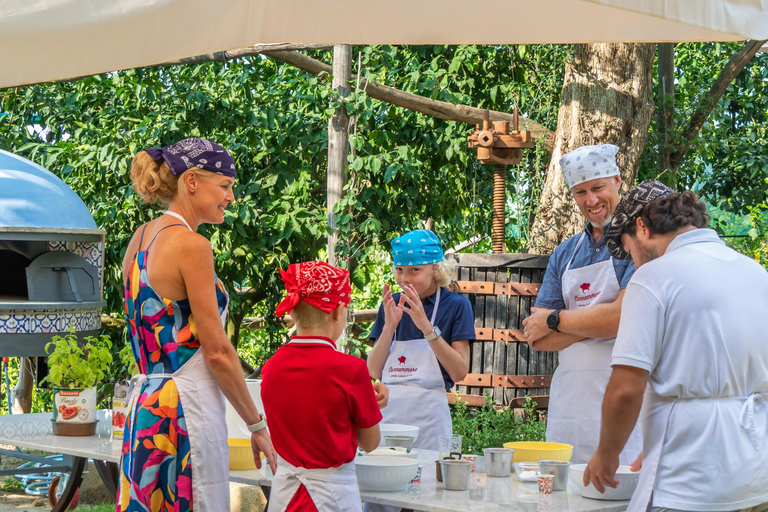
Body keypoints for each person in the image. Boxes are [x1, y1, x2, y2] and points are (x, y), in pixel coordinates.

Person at [584, 181, 768, 512]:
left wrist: (606, 456)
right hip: (755, 479)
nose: (635, 264)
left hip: (689, 482)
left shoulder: (653, 278)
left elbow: (626, 388)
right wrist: (657, 442)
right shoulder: (756, 274)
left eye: (630, 251)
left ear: (642, 227)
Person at [118, 138, 276, 512]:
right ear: (191, 181)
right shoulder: (192, 246)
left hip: (146, 402)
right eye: (224, 185)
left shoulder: (139, 239)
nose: (231, 197)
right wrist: (256, 426)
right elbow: (218, 351)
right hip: (186, 407)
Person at [522, 144, 642, 465]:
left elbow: (625, 319)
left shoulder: (638, 243)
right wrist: (602, 322)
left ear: (617, 181)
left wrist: (557, 320)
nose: (591, 201)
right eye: (580, 192)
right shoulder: (564, 253)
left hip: (622, 393)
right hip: (570, 403)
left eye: (598, 187)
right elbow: (537, 336)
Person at [261, 261, 384, 511]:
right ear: (338, 311)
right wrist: (366, 404)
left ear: (293, 312)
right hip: (332, 498)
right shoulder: (351, 370)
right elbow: (370, 443)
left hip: (284, 497)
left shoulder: (271, 368)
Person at [367, 229, 475, 449]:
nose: (405, 278)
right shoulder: (392, 304)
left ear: (436, 269)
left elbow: (459, 372)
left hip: (430, 421)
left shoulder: (457, 306)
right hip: (388, 417)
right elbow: (373, 371)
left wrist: (426, 327)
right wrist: (389, 326)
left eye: (415, 270)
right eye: (399, 270)